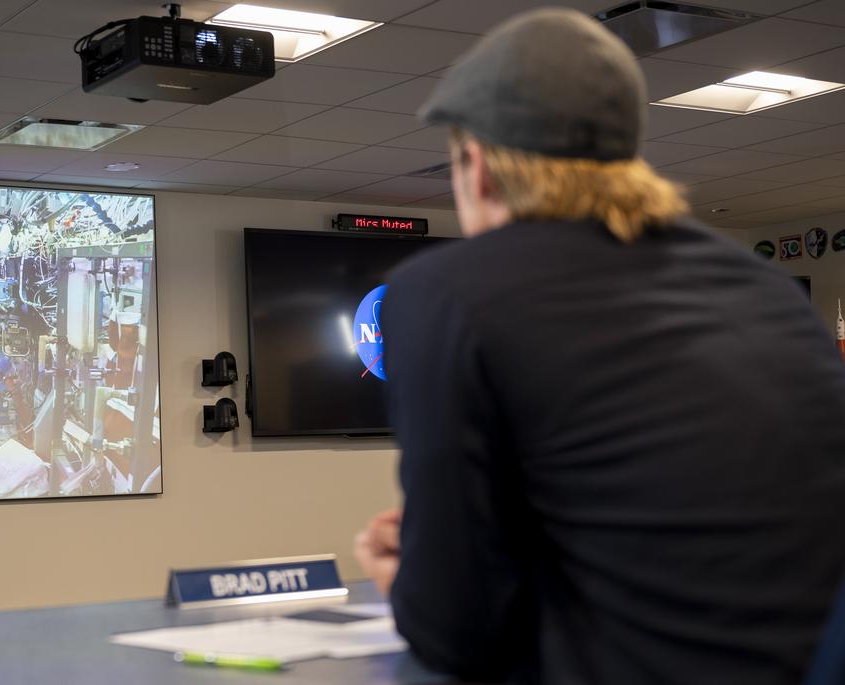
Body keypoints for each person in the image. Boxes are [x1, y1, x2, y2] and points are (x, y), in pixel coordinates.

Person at [353, 8, 845, 685]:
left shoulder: (445, 291)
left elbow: (455, 630)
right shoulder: (760, 283)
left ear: (476, 165)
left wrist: (405, 574)